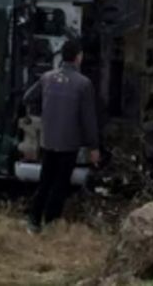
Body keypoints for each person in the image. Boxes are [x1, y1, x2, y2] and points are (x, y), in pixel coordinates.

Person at [26, 38, 100, 233]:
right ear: (78, 57)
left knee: (45, 182)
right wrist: (93, 147)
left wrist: (43, 112)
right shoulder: (83, 84)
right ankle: (51, 224)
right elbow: (88, 119)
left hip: (48, 141)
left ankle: (33, 221)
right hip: (68, 144)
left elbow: (28, 98)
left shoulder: (47, 77)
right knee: (59, 185)